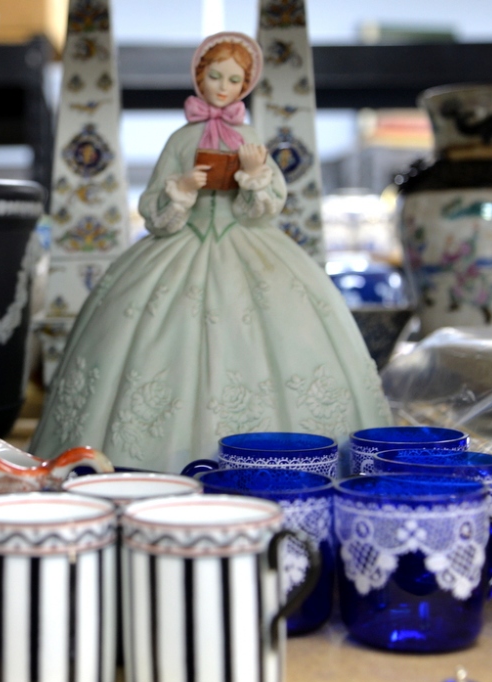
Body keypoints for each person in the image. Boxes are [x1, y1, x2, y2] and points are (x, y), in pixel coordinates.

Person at [30, 31, 391, 473]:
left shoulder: (249, 137)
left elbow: (265, 209)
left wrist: (254, 175)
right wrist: (180, 191)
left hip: (250, 248)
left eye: (233, 79)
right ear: (199, 78)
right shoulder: (182, 140)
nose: (222, 87)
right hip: (181, 247)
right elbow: (152, 212)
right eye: (215, 76)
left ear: (244, 86)